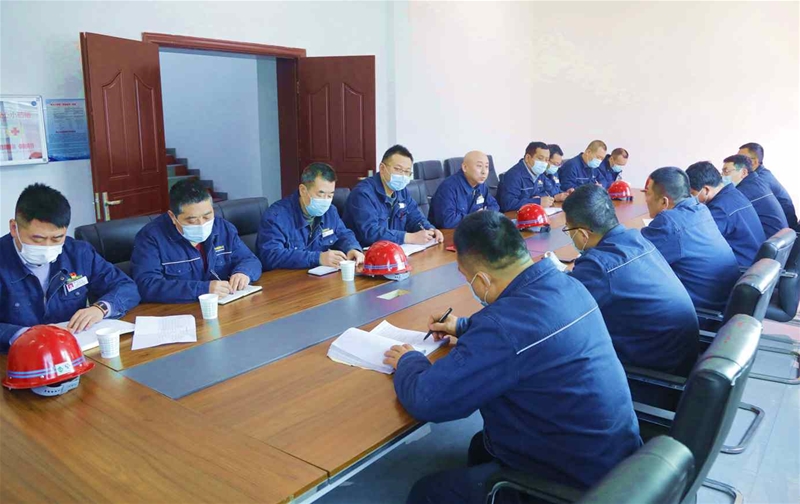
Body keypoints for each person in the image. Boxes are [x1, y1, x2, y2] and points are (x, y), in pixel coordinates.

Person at [383, 211, 641, 504]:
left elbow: (428, 400)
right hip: (619, 459)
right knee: (481, 446)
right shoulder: (567, 284)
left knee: (427, 493)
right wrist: (465, 327)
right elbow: (530, 332)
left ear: (482, 280)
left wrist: (409, 361)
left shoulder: (503, 328)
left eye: (467, 278)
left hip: (579, 486)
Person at [563, 185, 699, 374]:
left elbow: (563, 308)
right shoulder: (636, 239)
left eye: (568, 230)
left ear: (583, 233)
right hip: (680, 356)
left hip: (653, 373)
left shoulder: (599, 266)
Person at [0, 183, 140, 352]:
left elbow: (126, 287)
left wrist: (101, 308)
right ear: (14, 228)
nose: (47, 247)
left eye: (57, 238)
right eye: (37, 239)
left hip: (74, 351)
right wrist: (24, 334)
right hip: (16, 355)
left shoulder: (78, 253)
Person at [131, 179, 262, 303]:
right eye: (192, 220)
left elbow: (250, 260)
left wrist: (243, 272)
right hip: (178, 311)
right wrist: (203, 289)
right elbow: (146, 285)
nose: (201, 224)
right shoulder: (151, 237)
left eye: (207, 216)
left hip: (224, 305)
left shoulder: (223, 228)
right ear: (173, 217)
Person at [641, 167, 739, 312]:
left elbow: (634, 258)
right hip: (721, 303)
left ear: (664, 202)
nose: (645, 199)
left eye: (647, 193)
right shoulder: (700, 209)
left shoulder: (670, 222)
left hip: (698, 312)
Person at [257, 163, 364, 271]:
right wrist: (317, 258)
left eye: (330, 195)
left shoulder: (330, 211)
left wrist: (352, 248)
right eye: (320, 194)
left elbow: (343, 234)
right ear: (303, 190)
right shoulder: (276, 216)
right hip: (286, 278)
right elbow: (271, 256)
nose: (325, 200)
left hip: (320, 276)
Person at [344, 145, 444, 247]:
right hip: (366, 252)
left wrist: (430, 230)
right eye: (398, 169)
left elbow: (416, 218)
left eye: (407, 171)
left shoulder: (401, 191)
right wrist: (409, 237)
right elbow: (370, 232)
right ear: (382, 168)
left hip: (395, 250)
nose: (402, 175)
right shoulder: (363, 194)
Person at [686, 161, 765, 267]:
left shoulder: (719, 209)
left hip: (741, 267)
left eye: (692, 194)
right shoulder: (734, 194)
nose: (691, 198)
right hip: (754, 261)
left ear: (706, 190)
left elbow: (699, 241)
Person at [722, 154, 788, 239]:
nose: (722, 176)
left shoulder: (744, 191)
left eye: (726, 171)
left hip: (768, 238)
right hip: (780, 237)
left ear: (743, 172)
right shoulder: (757, 182)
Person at [429, 150, 500, 228]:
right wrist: (476, 218)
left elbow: (494, 206)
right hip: (447, 233)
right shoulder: (448, 187)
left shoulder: (481, 185)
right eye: (479, 166)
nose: (484, 172)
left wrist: (485, 215)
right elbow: (447, 220)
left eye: (486, 167)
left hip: (472, 230)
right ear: (465, 167)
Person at [738, 142, 798, 229]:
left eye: (740, 159)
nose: (735, 162)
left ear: (754, 162)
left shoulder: (760, 180)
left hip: (784, 230)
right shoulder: (760, 174)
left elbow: (738, 196)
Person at [497, 142, 569, 212]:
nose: (544, 163)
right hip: (514, 216)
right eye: (540, 158)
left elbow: (548, 191)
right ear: (527, 158)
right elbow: (507, 204)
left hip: (533, 213)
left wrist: (563, 194)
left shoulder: (539, 173)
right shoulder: (513, 175)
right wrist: (537, 201)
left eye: (546, 160)